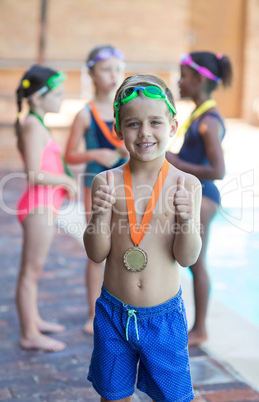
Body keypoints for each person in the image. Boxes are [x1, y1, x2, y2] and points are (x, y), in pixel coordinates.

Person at [84, 74, 202, 402]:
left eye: (155, 122)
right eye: (133, 123)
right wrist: (98, 215)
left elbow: (187, 257)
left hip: (163, 318)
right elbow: (96, 254)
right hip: (113, 314)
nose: (145, 132)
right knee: (114, 395)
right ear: (118, 129)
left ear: (173, 126)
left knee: (174, 398)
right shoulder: (106, 182)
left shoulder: (185, 185)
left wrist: (188, 219)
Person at [166, 51, 233, 346]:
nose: (179, 82)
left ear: (198, 79)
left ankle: (200, 329)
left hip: (204, 198)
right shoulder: (200, 115)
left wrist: (176, 161)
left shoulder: (209, 122)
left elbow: (217, 170)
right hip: (196, 195)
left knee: (197, 264)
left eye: (183, 76)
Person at [65, 45, 129, 334]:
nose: (113, 75)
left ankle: (125, 306)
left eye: (118, 68)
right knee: (97, 250)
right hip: (94, 184)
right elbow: (69, 155)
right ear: (91, 73)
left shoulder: (126, 109)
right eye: (106, 69)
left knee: (125, 245)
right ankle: (93, 313)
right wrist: (95, 155)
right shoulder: (85, 114)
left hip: (125, 185)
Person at [15, 65, 78, 352]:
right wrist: (65, 178)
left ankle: (34, 320)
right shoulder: (32, 126)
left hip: (45, 207)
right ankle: (29, 333)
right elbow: (33, 173)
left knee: (35, 271)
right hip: (38, 207)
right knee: (30, 272)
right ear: (39, 97)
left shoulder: (38, 124)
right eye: (58, 94)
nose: (62, 99)